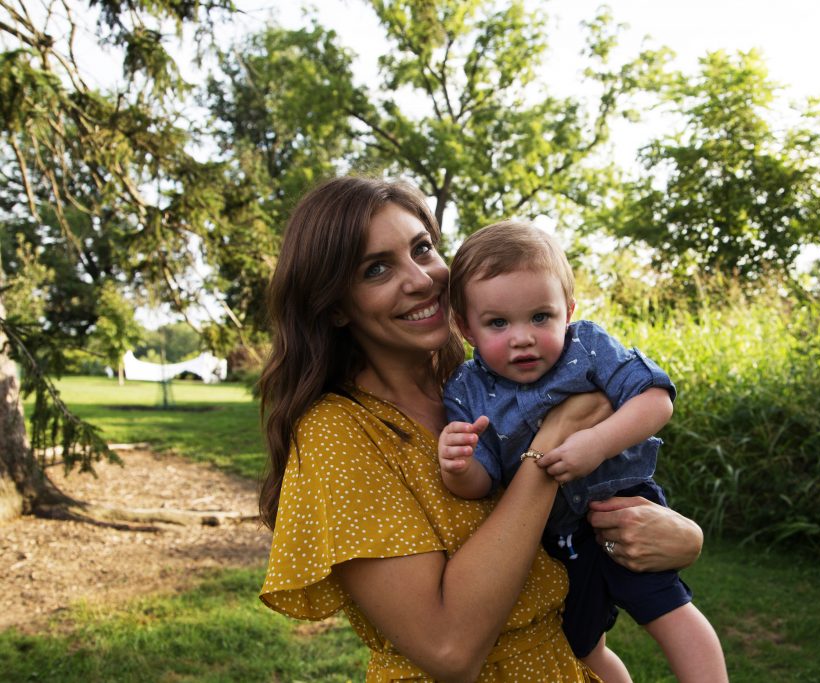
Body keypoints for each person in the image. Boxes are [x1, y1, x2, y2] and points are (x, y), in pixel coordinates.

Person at [257, 176, 714, 682]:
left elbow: (562, 557)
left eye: (422, 248)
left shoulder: (482, 384)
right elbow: (448, 650)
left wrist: (683, 537)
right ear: (336, 306)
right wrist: (554, 438)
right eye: (376, 269)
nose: (421, 279)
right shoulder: (338, 433)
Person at [439, 221, 727, 683]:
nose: (522, 337)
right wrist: (458, 467)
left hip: (621, 506)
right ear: (465, 327)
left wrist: (597, 442)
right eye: (498, 323)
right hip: (554, 537)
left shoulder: (587, 347)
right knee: (582, 643)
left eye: (540, 317)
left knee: (666, 609)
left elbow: (656, 400)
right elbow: (482, 480)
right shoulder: (466, 390)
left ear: (568, 310)